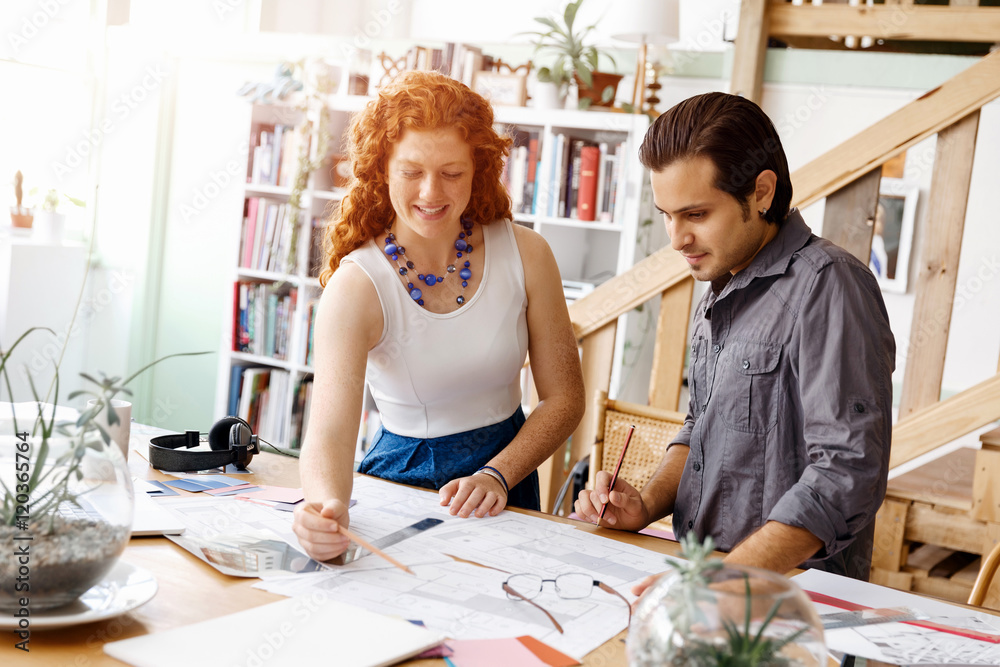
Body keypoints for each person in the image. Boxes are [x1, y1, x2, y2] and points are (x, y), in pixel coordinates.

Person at [575, 92, 896, 588]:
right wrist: (645, 503)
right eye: (666, 214)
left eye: (696, 215)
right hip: (702, 582)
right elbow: (700, 427)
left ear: (762, 192)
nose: (676, 238)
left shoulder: (829, 286)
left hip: (789, 605)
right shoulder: (720, 280)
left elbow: (845, 472)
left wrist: (720, 580)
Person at [293, 70, 585, 562]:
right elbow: (330, 431)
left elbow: (566, 398)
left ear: (479, 171)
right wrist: (324, 508)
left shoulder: (527, 253)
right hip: (404, 483)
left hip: (507, 480)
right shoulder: (357, 285)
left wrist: (499, 473)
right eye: (411, 172)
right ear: (381, 169)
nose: (431, 193)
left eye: (452, 173)